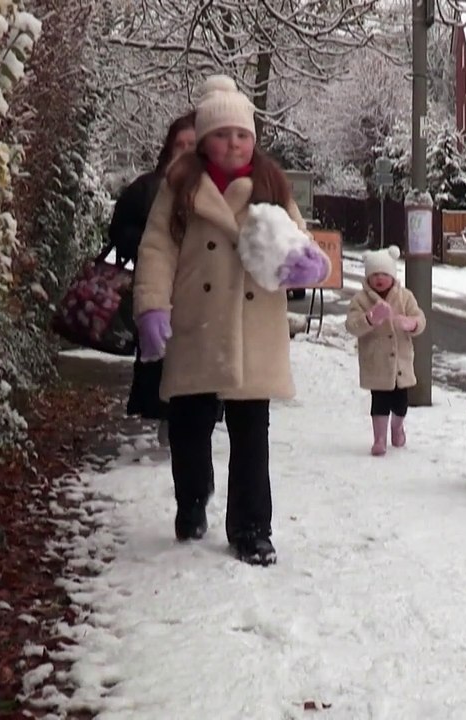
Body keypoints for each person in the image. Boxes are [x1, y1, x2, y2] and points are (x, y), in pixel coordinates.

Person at [132, 75, 329, 566]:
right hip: (198, 322)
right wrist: (152, 307)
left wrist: (308, 263)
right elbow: (156, 249)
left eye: (242, 134)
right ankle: (192, 498)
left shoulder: (270, 183)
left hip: (252, 324)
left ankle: (251, 528)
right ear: (203, 140)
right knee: (189, 423)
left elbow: (296, 237)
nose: (233, 143)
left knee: (251, 432)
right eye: (222, 134)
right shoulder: (179, 185)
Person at [108, 111, 200, 445]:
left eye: (193, 144)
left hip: (199, 293)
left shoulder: (216, 191)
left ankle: (189, 423)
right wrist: (148, 245)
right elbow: (120, 229)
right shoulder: (148, 187)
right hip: (160, 290)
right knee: (162, 357)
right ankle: (166, 423)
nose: (186, 150)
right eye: (181, 144)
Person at [344, 246, 427, 456]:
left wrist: (411, 324)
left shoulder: (405, 297)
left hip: (401, 361)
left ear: (392, 275)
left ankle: (397, 428)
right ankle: (379, 438)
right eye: (374, 275)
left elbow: (420, 318)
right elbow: (352, 326)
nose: (379, 279)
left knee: (400, 403)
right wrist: (370, 319)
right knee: (379, 402)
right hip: (377, 362)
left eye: (384, 274)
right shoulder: (361, 300)